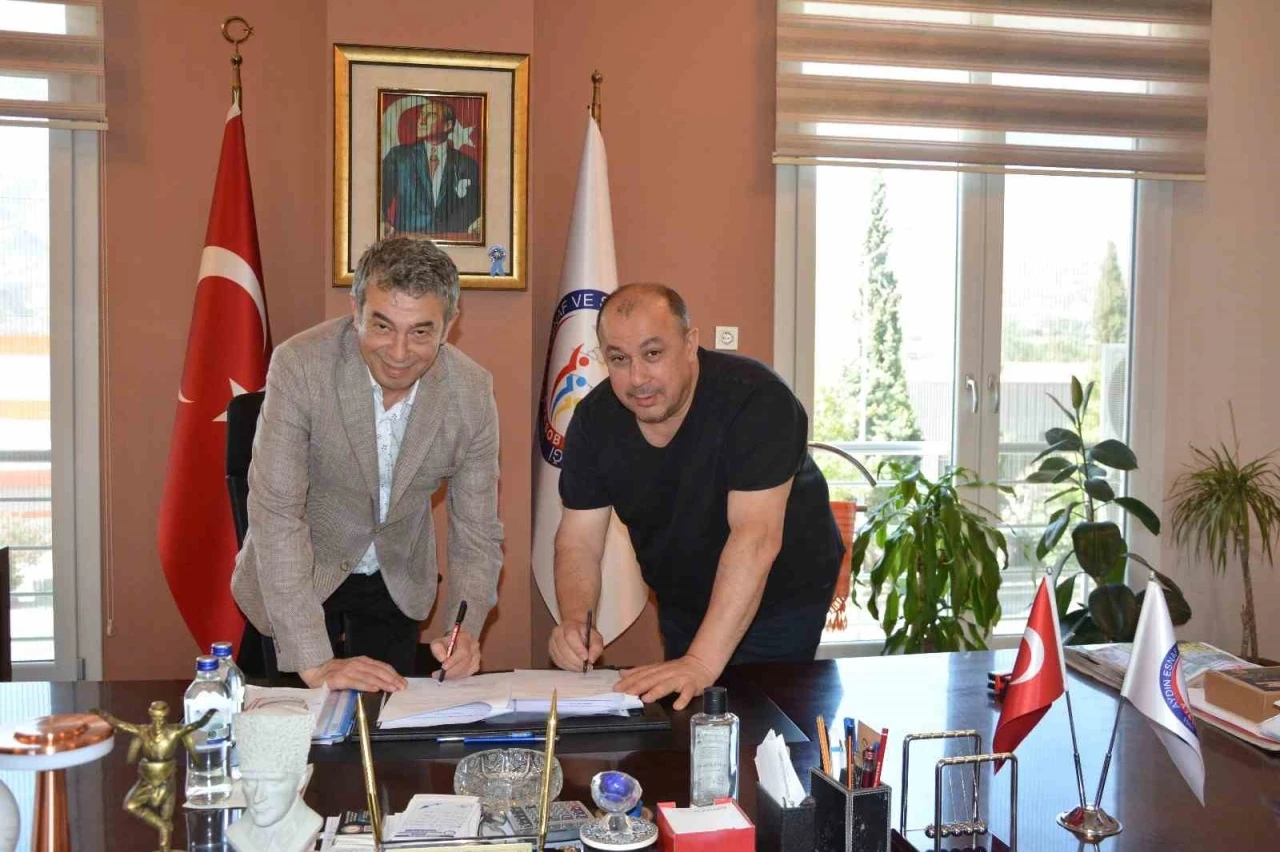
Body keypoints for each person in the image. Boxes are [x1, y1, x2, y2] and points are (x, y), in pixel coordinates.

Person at [547, 283, 845, 709]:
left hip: (781, 593)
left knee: (760, 717)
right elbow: (578, 539)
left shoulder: (758, 400)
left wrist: (701, 662)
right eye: (618, 359)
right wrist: (576, 621)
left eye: (653, 353)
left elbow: (755, 538)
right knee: (688, 713)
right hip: (684, 593)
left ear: (690, 344)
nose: (637, 378)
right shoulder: (595, 420)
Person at [231, 237, 503, 692]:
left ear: (449, 325)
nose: (398, 353)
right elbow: (277, 514)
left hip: (396, 581)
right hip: (297, 574)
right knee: (297, 727)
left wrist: (464, 629)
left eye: (421, 332)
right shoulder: (301, 365)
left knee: (386, 725)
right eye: (382, 325)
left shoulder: (471, 392)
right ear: (355, 310)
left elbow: (477, 531)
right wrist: (316, 664)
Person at [381, 99, 482, 238]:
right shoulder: (398, 157)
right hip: (408, 244)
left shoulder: (468, 164)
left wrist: (480, 222)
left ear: (447, 125)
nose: (421, 121)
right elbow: (378, 199)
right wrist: (382, 222)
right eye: (421, 115)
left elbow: (476, 210)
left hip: (451, 243)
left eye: (430, 115)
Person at [227, 707, 323, 852]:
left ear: (301, 780)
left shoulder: (310, 824)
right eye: (249, 782)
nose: (258, 798)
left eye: (273, 782)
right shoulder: (237, 832)